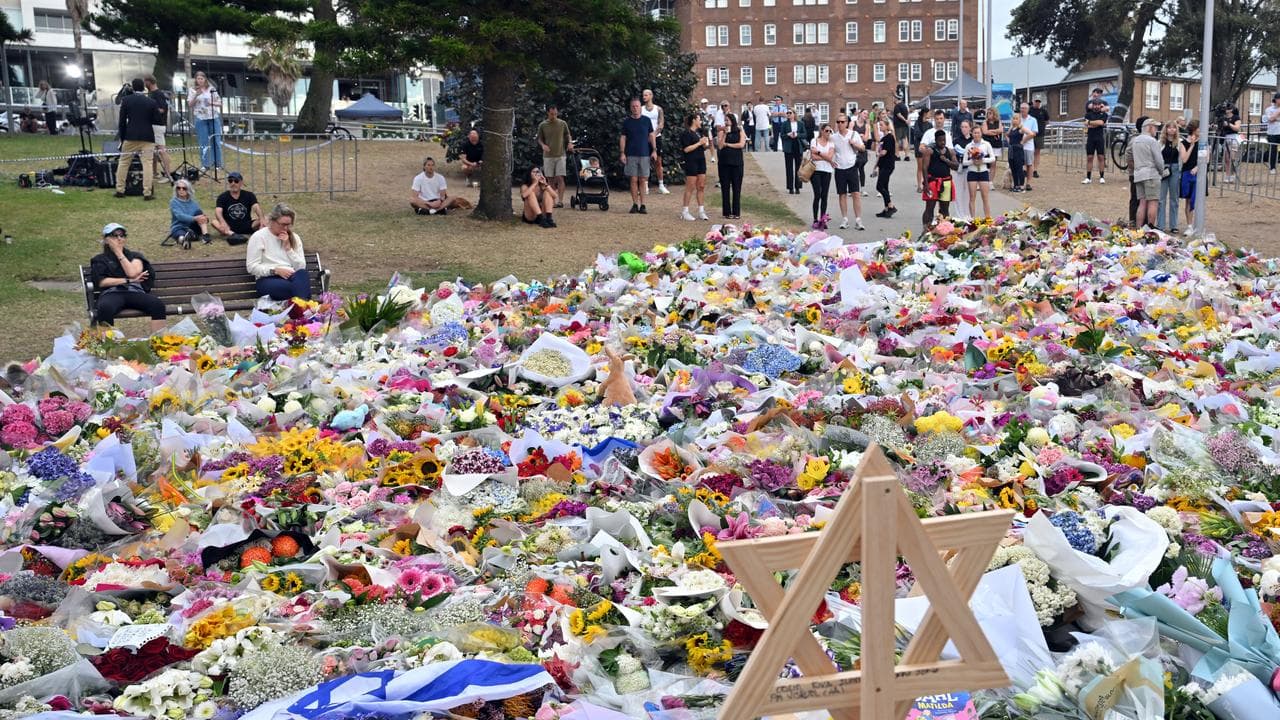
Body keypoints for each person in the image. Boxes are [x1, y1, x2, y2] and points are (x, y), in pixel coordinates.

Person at [90, 223, 167, 331]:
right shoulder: (99, 260)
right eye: (114, 235)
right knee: (105, 308)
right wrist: (127, 280)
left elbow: (132, 273)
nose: (119, 238)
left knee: (157, 305)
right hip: (112, 293)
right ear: (106, 240)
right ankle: (107, 340)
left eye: (122, 235)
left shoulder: (135, 256)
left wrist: (119, 253)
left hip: (134, 292)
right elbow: (102, 282)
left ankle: (159, 339)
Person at [247, 203, 310, 301]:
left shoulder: (295, 238)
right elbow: (252, 267)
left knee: (302, 274)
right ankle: (303, 303)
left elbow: (300, 267)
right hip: (268, 279)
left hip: (292, 277)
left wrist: (288, 249)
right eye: (283, 224)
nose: (286, 228)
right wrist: (275, 270)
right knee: (298, 289)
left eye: (289, 225)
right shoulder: (258, 237)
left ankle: (300, 304)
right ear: (272, 221)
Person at [114, 78, 157, 201]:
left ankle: (120, 189)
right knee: (147, 164)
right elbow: (157, 119)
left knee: (124, 163)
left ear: (132, 88)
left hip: (130, 135)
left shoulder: (126, 100)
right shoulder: (151, 102)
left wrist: (123, 137)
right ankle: (147, 192)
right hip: (147, 136)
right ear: (143, 88)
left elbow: (122, 121)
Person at [619, 97, 657, 214]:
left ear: (640, 107)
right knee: (633, 179)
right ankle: (635, 204)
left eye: (637, 106)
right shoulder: (627, 122)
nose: (635, 108)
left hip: (644, 154)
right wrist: (622, 153)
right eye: (633, 106)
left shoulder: (646, 121)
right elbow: (623, 138)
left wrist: (654, 150)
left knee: (643, 179)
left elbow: (652, 136)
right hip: (631, 154)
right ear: (630, 108)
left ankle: (643, 205)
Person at [831, 113, 865, 231]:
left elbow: (862, 148)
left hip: (852, 166)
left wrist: (854, 143)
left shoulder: (853, 134)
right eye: (838, 122)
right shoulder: (834, 137)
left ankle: (858, 219)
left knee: (856, 193)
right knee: (842, 194)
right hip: (839, 167)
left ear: (847, 123)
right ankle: (845, 219)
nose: (840, 124)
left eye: (842, 122)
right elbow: (830, 149)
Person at [921, 129, 959, 229]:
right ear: (936, 140)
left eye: (944, 140)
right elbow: (924, 168)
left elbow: (956, 166)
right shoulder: (929, 151)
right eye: (940, 140)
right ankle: (926, 229)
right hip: (932, 182)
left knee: (945, 209)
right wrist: (926, 184)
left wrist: (946, 160)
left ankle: (943, 229)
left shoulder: (950, 151)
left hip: (946, 182)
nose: (942, 142)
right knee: (930, 207)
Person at [536, 106, 572, 206]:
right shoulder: (543, 125)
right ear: (548, 113)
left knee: (560, 177)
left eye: (556, 114)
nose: (554, 116)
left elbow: (568, 135)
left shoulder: (562, 123)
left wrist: (570, 143)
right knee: (550, 179)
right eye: (552, 114)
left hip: (561, 155)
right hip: (548, 156)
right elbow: (539, 139)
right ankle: (552, 201)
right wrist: (543, 145)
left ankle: (560, 201)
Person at [1131, 118, 1164, 229]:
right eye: (1155, 127)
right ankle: (1151, 229)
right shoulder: (1152, 141)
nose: (1156, 130)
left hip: (1138, 174)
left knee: (1142, 203)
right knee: (1153, 202)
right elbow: (1159, 160)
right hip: (1151, 174)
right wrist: (1161, 171)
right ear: (1149, 127)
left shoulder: (1135, 140)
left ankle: (1139, 228)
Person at [213, 171, 264, 241]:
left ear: (241, 183)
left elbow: (256, 207)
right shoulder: (222, 197)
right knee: (214, 222)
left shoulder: (249, 195)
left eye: (236, 181)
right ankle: (233, 235)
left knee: (266, 219)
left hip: (247, 225)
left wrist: (262, 219)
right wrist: (222, 222)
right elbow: (218, 211)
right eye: (230, 181)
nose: (233, 183)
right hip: (229, 226)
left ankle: (263, 233)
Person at [143, 75, 175, 185]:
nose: (144, 85)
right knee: (153, 151)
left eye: (145, 82)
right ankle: (154, 172)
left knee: (162, 150)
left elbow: (162, 109)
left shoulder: (158, 94)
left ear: (149, 82)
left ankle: (168, 174)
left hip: (158, 125)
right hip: (153, 125)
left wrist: (150, 109)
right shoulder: (152, 94)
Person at [188, 71, 223, 171]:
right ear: (196, 80)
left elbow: (220, 103)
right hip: (200, 118)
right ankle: (205, 164)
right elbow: (190, 105)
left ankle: (217, 164)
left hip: (213, 117)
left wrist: (211, 103)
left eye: (201, 78)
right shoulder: (192, 90)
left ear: (205, 79)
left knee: (216, 141)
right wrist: (196, 95)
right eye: (198, 79)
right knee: (203, 141)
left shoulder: (211, 89)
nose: (200, 80)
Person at [679, 113, 711, 221]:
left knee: (701, 186)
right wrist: (699, 143)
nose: (700, 121)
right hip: (691, 161)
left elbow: (704, 146)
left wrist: (705, 144)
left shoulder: (700, 132)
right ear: (694, 120)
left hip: (701, 160)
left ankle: (701, 211)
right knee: (690, 186)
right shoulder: (686, 133)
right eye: (699, 119)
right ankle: (685, 211)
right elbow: (686, 149)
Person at [961, 121, 995, 218]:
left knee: (985, 197)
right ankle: (972, 219)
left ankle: (988, 218)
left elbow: (992, 158)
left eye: (978, 133)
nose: (976, 135)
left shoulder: (986, 144)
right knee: (972, 197)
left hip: (983, 172)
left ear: (981, 133)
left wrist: (982, 160)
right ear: (972, 133)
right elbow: (964, 162)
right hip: (972, 172)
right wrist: (972, 161)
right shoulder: (969, 146)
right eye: (975, 133)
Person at [717, 113, 746, 219]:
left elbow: (741, 144)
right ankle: (727, 212)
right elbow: (720, 146)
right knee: (725, 188)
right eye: (725, 120)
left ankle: (736, 212)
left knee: (736, 188)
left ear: (732, 121)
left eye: (727, 120)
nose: (726, 122)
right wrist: (725, 134)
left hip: (737, 163)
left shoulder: (739, 130)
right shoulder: (721, 131)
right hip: (724, 163)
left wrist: (728, 145)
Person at [641, 89, 670, 194]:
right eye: (643, 95)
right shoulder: (641, 109)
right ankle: (645, 186)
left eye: (646, 95)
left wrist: (654, 133)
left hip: (657, 137)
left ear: (651, 96)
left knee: (658, 161)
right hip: (645, 138)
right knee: (645, 162)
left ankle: (661, 185)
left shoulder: (658, 109)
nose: (644, 97)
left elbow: (661, 123)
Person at [1156, 121, 1182, 233]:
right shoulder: (1160, 143)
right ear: (1165, 129)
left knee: (1174, 198)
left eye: (1174, 128)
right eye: (1169, 127)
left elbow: (1181, 158)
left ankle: (1174, 225)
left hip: (1175, 170)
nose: (1172, 129)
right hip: (1163, 170)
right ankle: (1160, 225)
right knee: (1161, 198)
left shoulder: (1180, 143)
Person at [808, 123, 836, 225]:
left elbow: (830, 157)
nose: (828, 133)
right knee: (817, 194)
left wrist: (819, 152)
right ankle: (815, 218)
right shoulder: (814, 141)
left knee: (824, 195)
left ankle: (822, 218)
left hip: (827, 171)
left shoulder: (831, 143)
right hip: (816, 170)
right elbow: (813, 157)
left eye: (830, 131)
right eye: (826, 131)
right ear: (822, 131)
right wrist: (826, 158)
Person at [169, 178, 211, 244]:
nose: (181, 190)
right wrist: (194, 218)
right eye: (178, 188)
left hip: (192, 226)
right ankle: (183, 240)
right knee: (180, 234)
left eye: (184, 188)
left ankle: (205, 236)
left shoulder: (194, 202)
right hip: (180, 227)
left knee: (199, 212)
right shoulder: (174, 202)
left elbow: (199, 216)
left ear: (188, 189)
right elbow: (180, 216)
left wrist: (205, 218)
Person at [1083, 90, 1109, 184]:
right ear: (1092, 105)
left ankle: (1102, 177)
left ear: (1101, 105)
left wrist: (1090, 122)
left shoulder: (1104, 114)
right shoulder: (1088, 114)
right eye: (1095, 105)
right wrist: (1095, 123)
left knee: (1101, 157)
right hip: (1090, 138)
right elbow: (1087, 124)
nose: (1096, 106)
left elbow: (1101, 123)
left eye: (1098, 105)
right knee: (1089, 157)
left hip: (1099, 138)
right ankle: (1088, 177)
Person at [780, 109, 810, 194]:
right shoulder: (784, 124)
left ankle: (797, 187)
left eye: (790, 113)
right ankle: (790, 187)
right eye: (787, 113)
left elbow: (805, 134)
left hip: (798, 146)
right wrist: (788, 135)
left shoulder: (800, 123)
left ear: (794, 114)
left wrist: (797, 134)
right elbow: (782, 135)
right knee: (789, 168)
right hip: (788, 147)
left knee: (798, 168)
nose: (788, 114)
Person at [1179, 120, 1200, 233]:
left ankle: (1198, 224)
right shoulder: (1183, 143)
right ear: (1194, 129)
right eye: (1199, 128)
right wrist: (1192, 145)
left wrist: (1198, 167)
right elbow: (1184, 159)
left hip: (1199, 173)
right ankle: (1189, 226)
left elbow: (1206, 159)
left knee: (1198, 199)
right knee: (1188, 200)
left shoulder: (1203, 142)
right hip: (1187, 173)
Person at [874, 117, 898, 217]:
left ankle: (891, 205)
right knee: (885, 187)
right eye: (879, 125)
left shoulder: (889, 137)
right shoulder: (883, 139)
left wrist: (878, 152)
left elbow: (883, 152)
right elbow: (880, 153)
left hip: (888, 165)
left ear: (887, 126)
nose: (880, 127)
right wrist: (875, 166)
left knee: (879, 186)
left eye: (882, 125)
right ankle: (886, 208)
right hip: (882, 165)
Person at [1219, 103, 1241, 183]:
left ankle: (1232, 175)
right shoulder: (1223, 117)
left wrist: (1229, 124)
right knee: (1226, 158)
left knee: (1232, 157)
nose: (1226, 110)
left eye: (1227, 108)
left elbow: (1237, 128)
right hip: (1225, 137)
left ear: (1231, 109)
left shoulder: (1236, 117)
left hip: (1233, 137)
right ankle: (1227, 175)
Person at [1017, 102, 1037, 190]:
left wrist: (1023, 141)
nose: (1023, 110)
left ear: (1028, 110)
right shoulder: (1017, 118)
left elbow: (1034, 133)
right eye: (1021, 108)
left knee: (1029, 164)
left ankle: (1028, 183)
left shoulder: (1033, 120)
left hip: (1028, 146)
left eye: (1024, 108)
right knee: (1019, 164)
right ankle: (1019, 182)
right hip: (1018, 145)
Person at [982, 110, 1004, 188]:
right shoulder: (985, 122)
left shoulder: (998, 122)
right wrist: (995, 132)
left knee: (993, 163)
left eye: (990, 113)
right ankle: (984, 181)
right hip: (987, 145)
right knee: (985, 162)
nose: (989, 115)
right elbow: (985, 132)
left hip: (996, 145)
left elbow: (1001, 130)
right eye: (988, 113)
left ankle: (990, 182)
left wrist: (991, 131)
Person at [1007, 115, 1027, 193]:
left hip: (1018, 150)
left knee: (1019, 168)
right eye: (1013, 118)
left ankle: (1021, 186)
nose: (1014, 120)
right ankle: (1016, 185)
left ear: (1019, 120)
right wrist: (1009, 141)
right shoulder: (1011, 128)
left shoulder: (1021, 129)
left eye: (1016, 119)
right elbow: (1007, 135)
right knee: (1013, 168)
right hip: (1011, 150)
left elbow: (1031, 133)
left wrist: (1023, 141)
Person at [1029, 98, 1049, 178]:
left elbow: (1047, 120)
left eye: (1038, 102)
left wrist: (1042, 127)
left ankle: (1035, 170)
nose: (1037, 103)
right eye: (1036, 101)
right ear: (1033, 102)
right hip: (1030, 133)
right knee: (1028, 151)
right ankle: (1026, 169)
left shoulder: (1043, 111)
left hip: (1039, 134)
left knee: (1037, 152)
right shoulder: (1029, 110)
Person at [852, 109, 870, 196]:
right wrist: (860, 135)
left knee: (861, 168)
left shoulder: (867, 126)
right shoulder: (853, 123)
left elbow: (866, 139)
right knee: (853, 169)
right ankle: (852, 189)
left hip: (862, 149)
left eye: (867, 114)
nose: (866, 115)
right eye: (864, 113)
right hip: (853, 149)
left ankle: (862, 188)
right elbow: (850, 136)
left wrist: (858, 136)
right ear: (859, 114)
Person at [1265, 93, 1280, 175]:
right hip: (1272, 133)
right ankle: (1272, 168)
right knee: (1273, 150)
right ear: (1276, 99)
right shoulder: (1269, 109)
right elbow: (1271, 119)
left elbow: (1274, 118)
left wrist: (1276, 118)